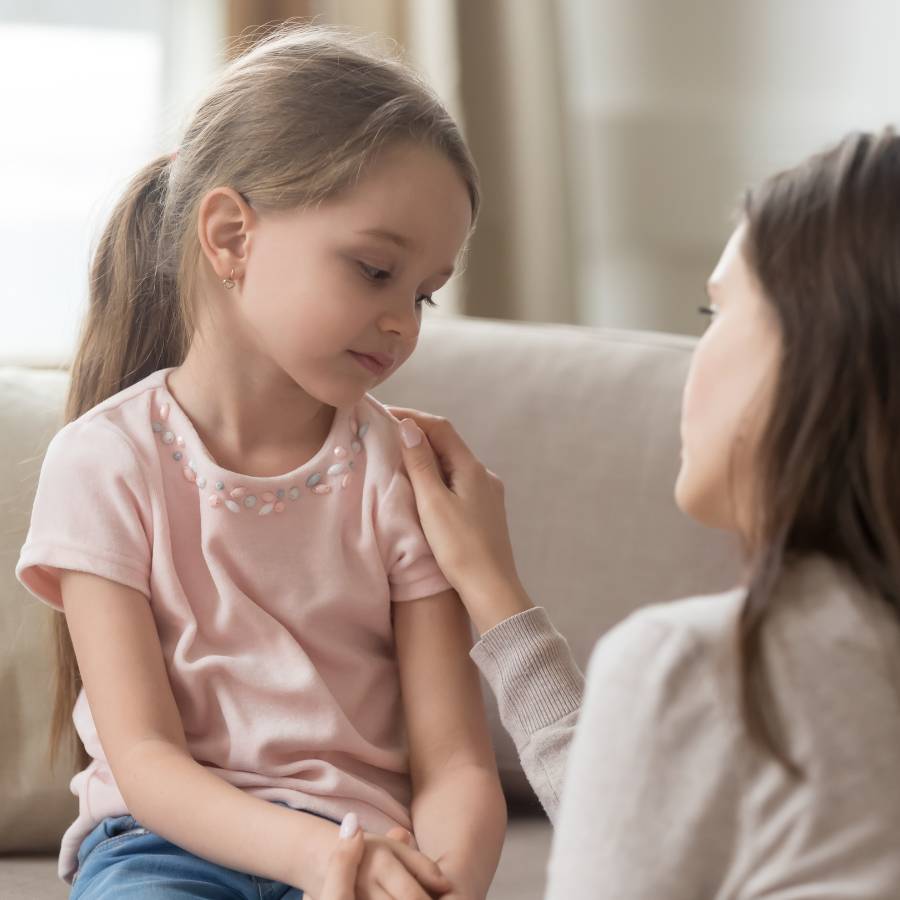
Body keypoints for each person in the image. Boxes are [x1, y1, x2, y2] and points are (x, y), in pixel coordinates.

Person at [324, 130, 900, 898]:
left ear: (820, 354)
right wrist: (495, 590)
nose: (697, 357)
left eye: (716, 311)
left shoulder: (703, 671)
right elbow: (640, 810)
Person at [15, 26, 505, 900]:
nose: (404, 323)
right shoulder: (103, 462)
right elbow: (148, 759)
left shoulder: (402, 469)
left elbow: (457, 763)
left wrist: (447, 883)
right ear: (232, 236)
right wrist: (312, 858)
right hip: (159, 847)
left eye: (423, 292)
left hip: (366, 849)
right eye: (374, 269)